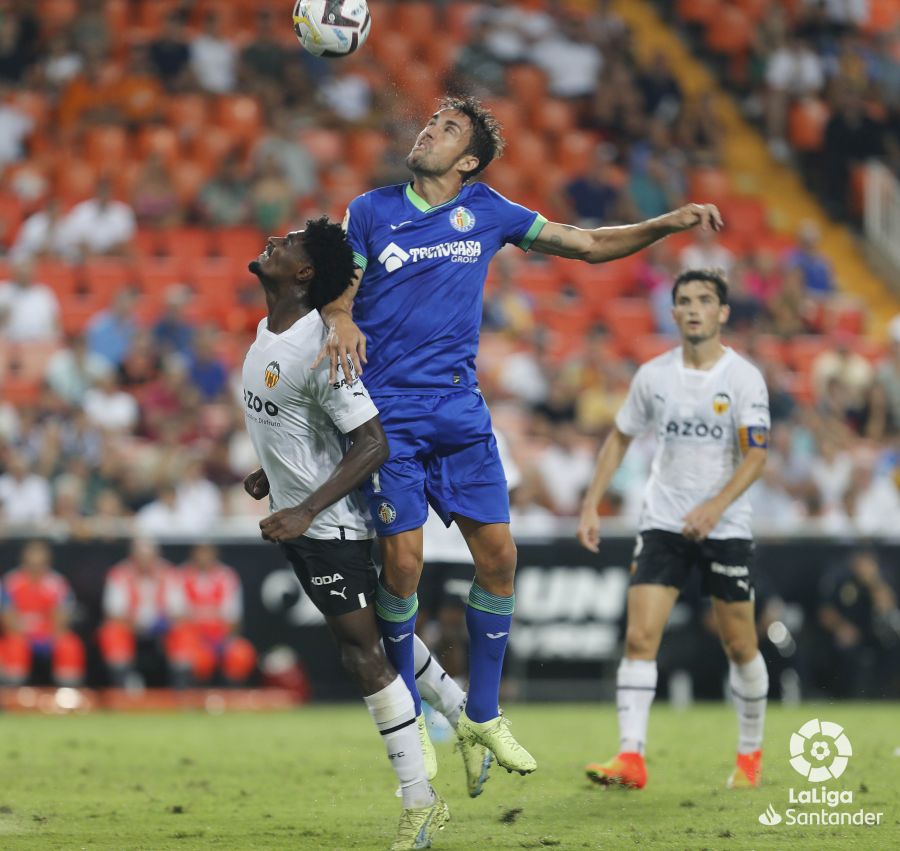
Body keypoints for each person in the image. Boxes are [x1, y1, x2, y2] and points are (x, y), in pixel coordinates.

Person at [318, 95, 722, 782]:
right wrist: (338, 317)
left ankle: (482, 713)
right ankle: (411, 714)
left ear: (468, 160)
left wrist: (668, 223)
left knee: (500, 556)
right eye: (429, 122)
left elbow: (587, 244)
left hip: (459, 409)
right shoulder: (371, 209)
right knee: (405, 567)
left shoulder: (490, 210)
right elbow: (340, 290)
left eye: (446, 129)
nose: (428, 129)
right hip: (388, 413)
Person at [242, 217, 456, 849]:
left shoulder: (317, 346)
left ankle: (420, 800)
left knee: (363, 655)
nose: (273, 243)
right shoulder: (270, 331)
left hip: (331, 529)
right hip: (307, 521)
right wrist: (270, 471)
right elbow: (307, 423)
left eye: (288, 246)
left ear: (304, 274)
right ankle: (466, 714)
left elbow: (372, 443)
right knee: (379, 642)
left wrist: (305, 508)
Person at [576, 269, 770, 790]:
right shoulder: (653, 376)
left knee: (740, 645)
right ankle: (631, 758)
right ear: (674, 310)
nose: (692, 309)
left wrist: (715, 505)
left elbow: (756, 455)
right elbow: (619, 438)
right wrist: (592, 502)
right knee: (639, 637)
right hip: (663, 522)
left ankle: (750, 755)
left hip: (724, 525)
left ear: (722, 312)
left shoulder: (743, 378)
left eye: (704, 301)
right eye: (684, 300)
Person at [0, 539, 85, 686]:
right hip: (20, 634)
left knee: (69, 645)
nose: (35, 569)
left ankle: (68, 694)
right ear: (23, 561)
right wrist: (27, 633)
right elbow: (8, 621)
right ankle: (11, 695)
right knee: (13, 646)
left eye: (40, 565)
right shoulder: (10, 582)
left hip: (49, 634)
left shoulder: (57, 583)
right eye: (31, 565)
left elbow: (61, 621)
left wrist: (47, 635)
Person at [178, 544, 256, 686]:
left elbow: (233, 616)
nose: (204, 558)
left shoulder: (226, 576)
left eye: (207, 553)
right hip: (193, 637)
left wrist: (224, 640)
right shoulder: (182, 575)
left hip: (220, 636)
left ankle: (233, 699)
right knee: (199, 658)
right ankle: (196, 699)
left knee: (240, 654)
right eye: (200, 553)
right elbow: (178, 615)